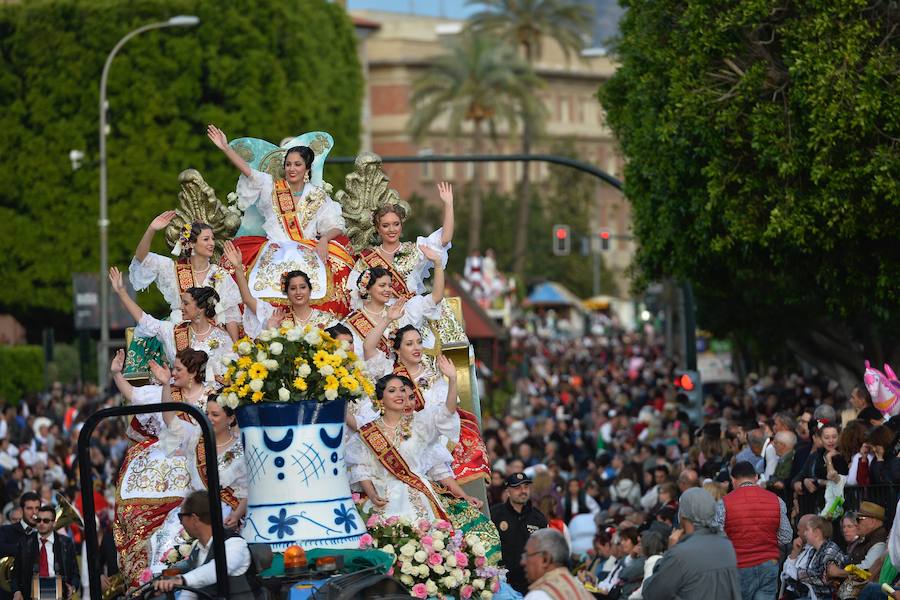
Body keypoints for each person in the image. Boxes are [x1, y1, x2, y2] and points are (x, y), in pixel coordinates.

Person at [207, 125, 352, 314]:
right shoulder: (270, 186)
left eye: (297, 164)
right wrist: (226, 148)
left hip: (309, 248)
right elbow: (248, 171)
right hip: (274, 249)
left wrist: (324, 239)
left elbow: (335, 225)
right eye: (288, 164)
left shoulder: (317, 195)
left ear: (307, 168)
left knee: (338, 276)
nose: (292, 169)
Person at [110, 348, 216, 589]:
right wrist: (117, 374)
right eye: (174, 368)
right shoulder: (165, 392)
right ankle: (152, 578)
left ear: (193, 373)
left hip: (203, 465)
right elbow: (140, 399)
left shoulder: (213, 396)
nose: (174, 372)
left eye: (178, 369)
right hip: (170, 460)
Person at [356, 321, 489, 485]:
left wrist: (453, 379)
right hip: (393, 436)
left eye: (419, 342)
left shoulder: (433, 376)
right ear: (397, 349)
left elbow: (446, 411)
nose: (416, 348)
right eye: (409, 344)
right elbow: (368, 347)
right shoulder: (387, 370)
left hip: (424, 434)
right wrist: (388, 318)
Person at [345, 367, 460, 522]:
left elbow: (447, 412)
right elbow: (361, 468)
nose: (400, 394)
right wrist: (371, 494)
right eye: (392, 391)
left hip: (419, 493)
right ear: (380, 399)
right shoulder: (368, 431)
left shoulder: (420, 423)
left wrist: (453, 379)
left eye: (402, 390)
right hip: (382, 497)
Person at [129, 213, 242, 341]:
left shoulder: (220, 275)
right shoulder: (172, 270)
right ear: (192, 244)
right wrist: (151, 230)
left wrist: (235, 349)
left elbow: (230, 316)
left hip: (213, 340)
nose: (212, 243)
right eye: (206, 239)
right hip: (180, 338)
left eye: (212, 239)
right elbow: (141, 258)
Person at [109, 266, 231, 382]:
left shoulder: (223, 338)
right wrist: (122, 293)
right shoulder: (173, 331)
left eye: (186, 304)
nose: (181, 307)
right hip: (178, 396)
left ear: (200, 308)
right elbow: (145, 321)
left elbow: (229, 374)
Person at [347, 182, 454, 304]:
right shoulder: (367, 258)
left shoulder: (415, 250)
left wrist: (449, 204)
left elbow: (444, 239)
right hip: (379, 318)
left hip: (410, 315)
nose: (392, 230)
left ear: (401, 226)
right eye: (385, 225)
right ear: (378, 229)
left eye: (396, 224)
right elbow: (354, 292)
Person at [159, 385, 248, 531]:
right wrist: (165, 384)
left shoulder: (241, 449)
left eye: (215, 415)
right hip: (193, 511)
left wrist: (236, 515)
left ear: (231, 418)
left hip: (224, 515)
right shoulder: (196, 437)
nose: (209, 419)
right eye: (207, 414)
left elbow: (246, 492)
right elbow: (171, 420)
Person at [641, 488, 741, 600]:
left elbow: (652, 593)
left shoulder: (680, 554)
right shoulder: (726, 545)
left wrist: (669, 553)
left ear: (682, 516)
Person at [223, 242, 336, 338]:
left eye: (302, 287)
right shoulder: (278, 316)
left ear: (310, 290)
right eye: (292, 288)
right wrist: (238, 268)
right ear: (286, 293)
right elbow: (247, 299)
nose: (298, 292)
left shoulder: (326, 319)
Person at [153, 491, 253, 600]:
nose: (181, 523)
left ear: (194, 518)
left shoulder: (234, 544)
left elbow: (218, 568)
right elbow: (192, 590)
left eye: (181, 517)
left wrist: (181, 579)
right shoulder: (198, 548)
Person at [342, 255, 444, 360]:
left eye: (390, 286)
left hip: (400, 373)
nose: (388, 289)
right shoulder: (354, 321)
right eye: (382, 285)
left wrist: (438, 263)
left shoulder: (401, 311)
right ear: (367, 289)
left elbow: (436, 297)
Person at [717, 460, 793, 600]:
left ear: (733, 479)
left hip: (739, 564)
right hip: (769, 563)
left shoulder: (724, 503)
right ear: (756, 477)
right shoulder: (776, 500)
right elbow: (786, 537)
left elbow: (718, 538)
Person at [490, 472, 548, 594]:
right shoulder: (495, 514)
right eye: (517, 488)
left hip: (530, 585)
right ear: (507, 491)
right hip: (502, 585)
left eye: (526, 487)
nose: (523, 491)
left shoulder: (538, 518)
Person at [11, 505, 79, 600]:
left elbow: (75, 574)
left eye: (46, 521)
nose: (41, 523)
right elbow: (15, 574)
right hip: (31, 596)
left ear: (54, 523)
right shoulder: (24, 543)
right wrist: (17, 592)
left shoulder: (66, 543)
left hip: (59, 596)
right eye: (38, 520)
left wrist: (73, 588)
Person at [521, 528, 593, 600]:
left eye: (527, 555)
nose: (522, 562)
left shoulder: (539, 595)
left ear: (545, 559)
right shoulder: (583, 591)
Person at [796, 516, 848, 598]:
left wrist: (800, 574)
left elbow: (824, 578)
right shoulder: (814, 551)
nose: (805, 533)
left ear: (816, 532)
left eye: (807, 530)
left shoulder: (830, 550)